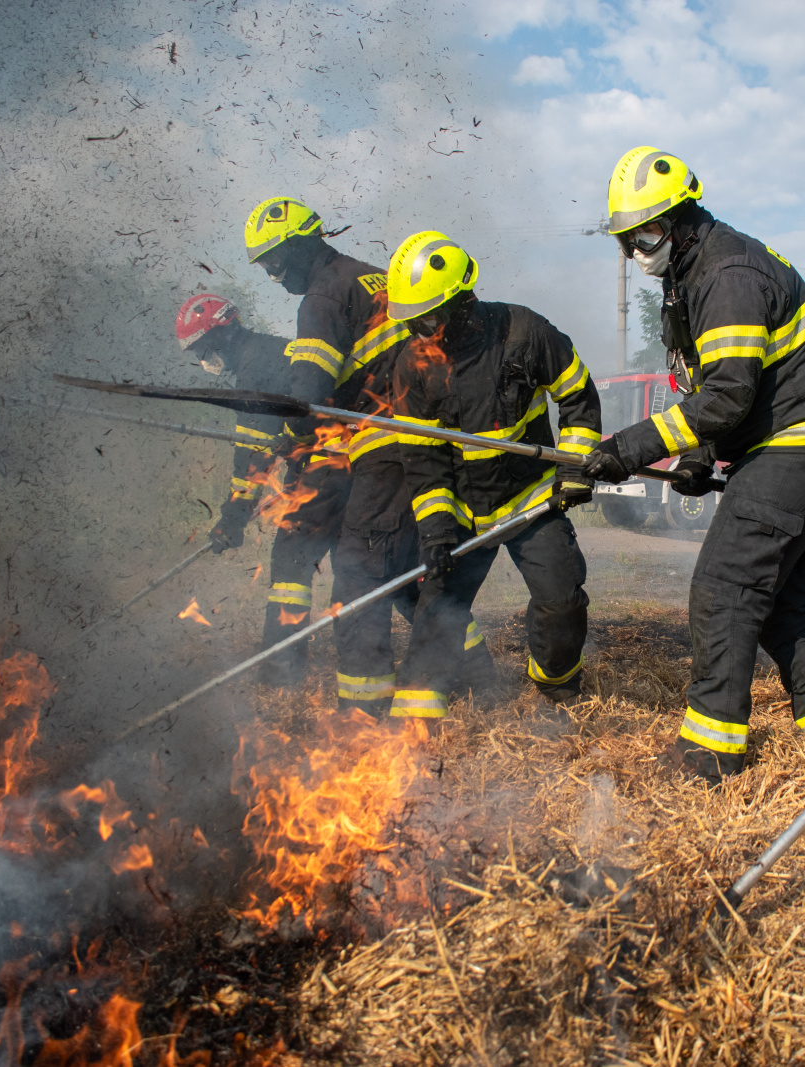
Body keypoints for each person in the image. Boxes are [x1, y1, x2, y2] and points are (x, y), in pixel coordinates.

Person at [582, 147, 805, 785]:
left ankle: (709, 752)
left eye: (650, 232)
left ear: (685, 217)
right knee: (782, 600)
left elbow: (729, 395)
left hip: (804, 444)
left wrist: (631, 447)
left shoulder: (726, 274)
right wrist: (698, 452)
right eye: (628, 240)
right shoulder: (688, 275)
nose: (639, 249)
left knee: (725, 588)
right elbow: (715, 388)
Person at [241, 198, 491, 712]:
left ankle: (361, 708)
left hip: (386, 443)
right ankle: (476, 673)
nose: (271, 275)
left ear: (299, 245)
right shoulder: (375, 277)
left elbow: (308, 388)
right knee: (403, 569)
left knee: (357, 568)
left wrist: (287, 423)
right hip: (426, 435)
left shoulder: (321, 298)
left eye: (272, 261)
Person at [387, 230, 601, 722]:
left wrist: (572, 470)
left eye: (429, 318)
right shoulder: (414, 363)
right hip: (462, 510)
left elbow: (579, 400)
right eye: (413, 323)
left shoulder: (524, 333)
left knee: (562, 601)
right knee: (437, 611)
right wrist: (438, 529)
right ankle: (416, 718)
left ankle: (554, 684)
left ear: (463, 300)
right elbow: (422, 457)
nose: (422, 331)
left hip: (531, 499)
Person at [175, 293, 348, 684]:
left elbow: (252, 460)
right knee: (356, 566)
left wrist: (232, 518)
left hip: (327, 466)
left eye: (203, 349)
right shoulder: (271, 351)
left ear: (221, 335)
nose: (205, 360)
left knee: (290, 560)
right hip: (344, 465)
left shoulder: (254, 370)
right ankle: (458, 657)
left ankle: (281, 671)